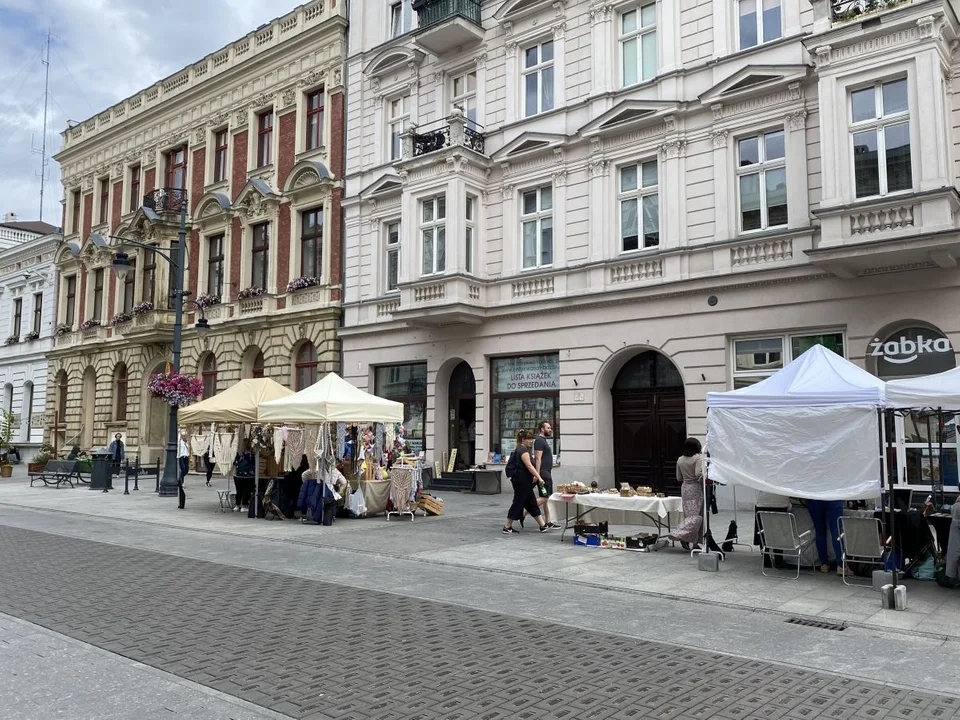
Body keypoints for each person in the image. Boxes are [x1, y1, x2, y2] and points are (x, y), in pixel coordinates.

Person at [502, 430, 554, 534]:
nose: (531, 441)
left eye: (531, 439)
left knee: (531, 503)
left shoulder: (519, 449)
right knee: (518, 502)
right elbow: (529, 466)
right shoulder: (523, 451)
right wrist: (539, 477)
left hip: (522, 481)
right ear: (523, 440)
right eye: (529, 439)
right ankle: (507, 526)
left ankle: (542, 525)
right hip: (523, 481)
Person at [668, 438, 705, 550]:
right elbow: (697, 474)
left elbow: (679, 477)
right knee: (698, 516)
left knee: (688, 515)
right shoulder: (697, 458)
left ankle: (686, 538)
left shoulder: (680, 460)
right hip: (695, 488)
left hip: (685, 488)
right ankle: (687, 538)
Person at [533, 420, 559, 529]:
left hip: (546, 473)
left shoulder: (543, 440)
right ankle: (525, 510)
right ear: (542, 429)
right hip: (543, 474)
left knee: (546, 497)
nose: (550, 430)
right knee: (545, 497)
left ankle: (548, 521)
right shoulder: (539, 441)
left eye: (550, 428)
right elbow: (538, 458)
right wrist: (537, 475)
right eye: (548, 428)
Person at [807, 498, 844, 574]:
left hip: (814, 498)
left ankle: (824, 564)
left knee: (819, 531)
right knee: (836, 531)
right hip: (833, 497)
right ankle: (841, 566)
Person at [754, 491, 791, 568]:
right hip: (781, 501)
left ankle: (766, 559)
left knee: (763, 531)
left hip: (762, 501)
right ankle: (778, 560)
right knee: (778, 532)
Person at [177, 430, 190, 510]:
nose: (184, 437)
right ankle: (180, 480)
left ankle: (181, 480)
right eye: (183, 436)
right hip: (181, 456)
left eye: (185, 436)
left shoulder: (187, 443)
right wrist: (179, 431)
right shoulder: (180, 442)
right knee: (183, 469)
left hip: (186, 457)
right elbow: (178, 437)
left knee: (186, 470)